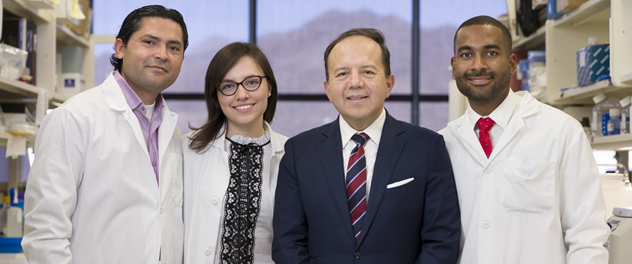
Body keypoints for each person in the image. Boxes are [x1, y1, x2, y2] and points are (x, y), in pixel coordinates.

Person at [272, 28, 461, 264]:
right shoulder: (299, 152)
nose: (355, 82)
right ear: (328, 89)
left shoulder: (427, 147)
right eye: (342, 74)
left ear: (389, 83)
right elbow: (287, 244)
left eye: (368, 71)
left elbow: (441, 241)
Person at [21, 5, 188, 264]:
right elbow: (45, 231)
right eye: (149, 42)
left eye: (174, 47)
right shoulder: (74, 117)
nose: (162, 54)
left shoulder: (171, 131)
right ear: (120, 48)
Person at [439, 15, 610, 263]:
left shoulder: (562, 131)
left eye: (490, 53)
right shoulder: (442, 143)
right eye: (467, 55)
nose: (478, 65)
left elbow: (587, 235)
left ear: (511, 63)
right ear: (454, 67)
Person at [182, 42, 287, 264]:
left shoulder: (291, 155)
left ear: (269, 87)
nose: (241, 95)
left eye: (251, 82)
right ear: (216, 96)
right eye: (228, 86)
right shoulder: (186, 150)